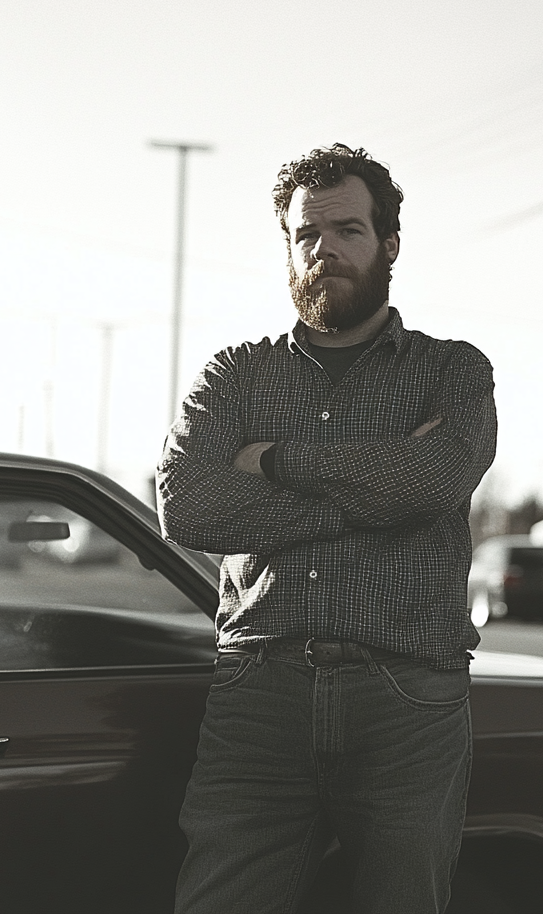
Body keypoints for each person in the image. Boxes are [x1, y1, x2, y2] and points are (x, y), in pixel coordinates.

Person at [156, 143, 497, 914]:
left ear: (389, 244)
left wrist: (272, 460)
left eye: (346, 230)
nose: (324, 250)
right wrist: (379, 488)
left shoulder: (452, 373)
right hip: (258, 691)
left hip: (407, 695)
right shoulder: (234, 375)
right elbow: (188, 506)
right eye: (306, 235)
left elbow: (436, 478)